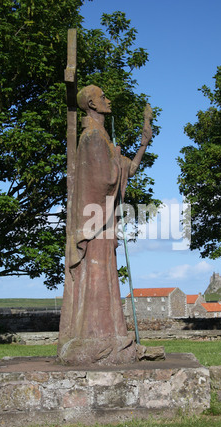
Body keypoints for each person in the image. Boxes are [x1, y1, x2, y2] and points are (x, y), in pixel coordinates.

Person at [57, 85, 152, 365]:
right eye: (102, 97)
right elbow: (103, 181)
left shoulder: (103, 138)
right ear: (91, 103)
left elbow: (127, 170)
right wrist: (116, 163)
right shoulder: (92, 137)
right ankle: (95, 339)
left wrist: (143, 144)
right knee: (97, 280)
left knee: (106, 280)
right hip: (96, 223)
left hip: (104, 223)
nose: (107, 100)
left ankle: (109, 337)